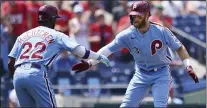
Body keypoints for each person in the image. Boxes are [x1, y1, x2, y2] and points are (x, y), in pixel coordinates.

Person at [72, 1, 199, 108]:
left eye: (139, 15)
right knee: (126, 106)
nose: (135, 18)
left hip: (161, 73)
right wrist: (90, 62)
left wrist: (188, 65)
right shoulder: (127, 34)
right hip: (141, 74)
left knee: (160, 106)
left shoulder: (161, 31)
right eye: (133, 15)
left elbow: (180, 48)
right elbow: (107, 50)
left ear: (148, 15)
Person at [8, 5, 110, 107]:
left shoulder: (23, 35)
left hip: (18, 74)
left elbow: (10, 62)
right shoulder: (57, 35)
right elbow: (80, 51)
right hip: (36, 73)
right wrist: (99, 57)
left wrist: (18, 78)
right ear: (52, 19)